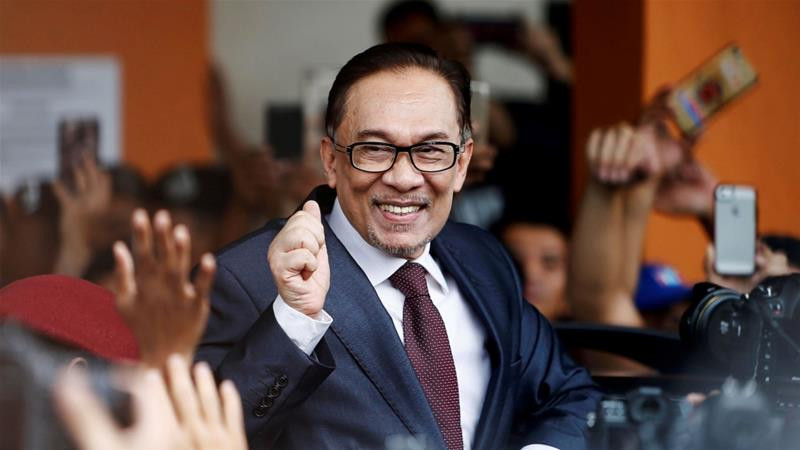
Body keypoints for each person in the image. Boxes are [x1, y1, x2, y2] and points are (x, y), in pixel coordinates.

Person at [197, 43, 598, 450]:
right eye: (374, 149)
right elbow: (200, 438)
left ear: (462, 164)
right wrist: (295, 321)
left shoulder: (484, 259)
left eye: (430, 150)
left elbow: (569, 397)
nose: (404, 178)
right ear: (331, 161)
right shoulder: (241, 277)